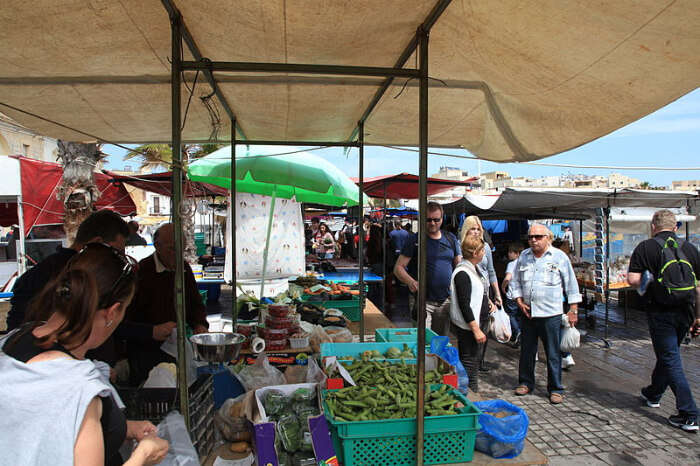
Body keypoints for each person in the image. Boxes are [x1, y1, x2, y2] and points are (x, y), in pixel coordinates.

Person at [0, 243, 169, 465]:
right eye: (124, 311)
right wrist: (143, 456)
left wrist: (122, 427)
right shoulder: (78, 388)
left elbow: (36, 422)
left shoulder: (15, 338)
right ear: (112, 312)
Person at [627, 209, 699, 432]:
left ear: (653, 226)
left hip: (661, 312)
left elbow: (632, 279)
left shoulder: (646, 247)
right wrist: (698, 316)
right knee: (669, 355)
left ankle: (690, 413)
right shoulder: (690, 248)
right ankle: (653, 393)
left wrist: (646, 285)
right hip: (686, 311)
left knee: (670, 358)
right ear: (675, 227)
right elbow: (698, 287)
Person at [6, 209, 129, 331]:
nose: (119, 259)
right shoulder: (80, 274)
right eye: (116, 253)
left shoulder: (42, 269)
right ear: (97, 243)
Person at [126, 223, 209, 385]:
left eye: (182, 250)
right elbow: (124, 323)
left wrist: (199, 324)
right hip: (145, 354)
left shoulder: (184, 268)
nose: (178, 255)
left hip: (176, 348)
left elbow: (195, 303)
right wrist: (151, 331)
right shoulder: (141, 272)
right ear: (157, 246)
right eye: (172, 249)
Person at [510, 223, 581, 404]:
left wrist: (573, 309)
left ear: (548, 238)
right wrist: (518, 300)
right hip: (528, 313)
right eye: (530, 237)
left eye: (538, 237)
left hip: (551, 314)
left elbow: (571, 284)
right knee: (527, 351)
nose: (533, 240)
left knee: (553, 353)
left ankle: (555, 388)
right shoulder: (524, 257)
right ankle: (525, 382)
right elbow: (516, 282)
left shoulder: (559, 257)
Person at [394, 202, 461, 335]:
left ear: (442, 219)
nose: (432, 223)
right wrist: (411, 282)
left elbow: (459, 267)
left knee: (440, 344)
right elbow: (398, 268)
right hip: (423, 302)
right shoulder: (414, 239)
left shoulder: (450, 239)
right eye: (428, 219)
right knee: (422, 342)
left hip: (445, 301)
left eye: (436, 220)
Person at [450, 234, 493, 393]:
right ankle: (469, 393)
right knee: (469, 362)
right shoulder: (463, 272)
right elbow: (464, 304)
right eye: (482, 250)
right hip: (468, 327)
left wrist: (488, 302)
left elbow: (476, 293)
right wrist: (475, 329)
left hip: (475, 324)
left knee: (473, 361)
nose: (484, 253)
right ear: (475, 253)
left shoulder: (472, 268)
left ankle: (471, 391)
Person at [461, 215, 502, 372]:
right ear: (467, 229)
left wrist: (497, 294)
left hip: (486, 292)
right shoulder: (461, 247)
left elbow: (491, 272)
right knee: (471, 326)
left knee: (485, 326)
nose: (477, 231)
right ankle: (470, 362)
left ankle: (480, 360)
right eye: (473, 228)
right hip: (470, 292)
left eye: (479, 229)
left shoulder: (485, 249)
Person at [501, 242, 524, 347]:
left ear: (518, 253)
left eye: (511, 252)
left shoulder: (511, 264)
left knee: (511, 315)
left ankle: (518, 332)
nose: (509, 254)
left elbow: (507, 278)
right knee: (519, 316)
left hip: (512, 294)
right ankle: (518, 335)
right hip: (523, 295)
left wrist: (503, 286)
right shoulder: (525, 263)